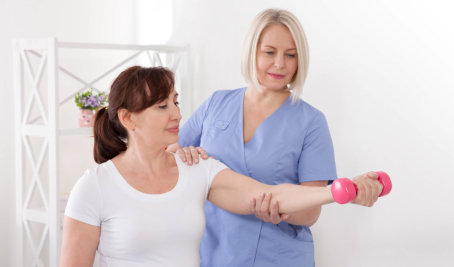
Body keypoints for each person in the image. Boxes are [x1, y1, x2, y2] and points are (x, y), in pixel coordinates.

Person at [60, 66, 382, 267]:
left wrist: (341, 192)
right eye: (162, 106)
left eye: (176, 101)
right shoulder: (94, 187)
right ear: (128, 118)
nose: (176, 114)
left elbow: (274, 194)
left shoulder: (198, 170)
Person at [176, 8, 367, 267]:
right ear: (251, 51)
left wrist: (282, 211)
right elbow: (172, 153)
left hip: (277, 257)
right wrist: (182, 152)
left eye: (291, 55)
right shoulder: (216, 103)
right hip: (212, 253)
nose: (280, 64)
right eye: (269, 52)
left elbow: (311, 211)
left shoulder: (311, 122)